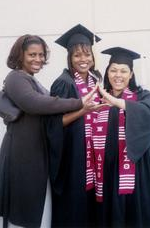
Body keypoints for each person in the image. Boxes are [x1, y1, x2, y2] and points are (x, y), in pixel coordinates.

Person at [0, 34, 97, 228]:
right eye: (32, 54)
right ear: (21, 55)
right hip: (23, 154)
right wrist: (78, 103)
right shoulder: (16, 78)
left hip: (36, 151)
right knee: (23, 209)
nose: (38, 59)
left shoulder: (32, 80)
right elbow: (35, 104)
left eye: (41, 55)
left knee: (37, 209)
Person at [94, 47, 150, 227]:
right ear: (107, 72)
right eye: (113, 70)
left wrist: (116, 102)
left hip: (136, 174)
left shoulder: (144, 97)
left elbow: (149, 116)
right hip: (106, 173)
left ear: (131, 74)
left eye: (123, 71)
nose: (118, 75)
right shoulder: (97, 100)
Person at [45, 24, 103, 227]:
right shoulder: (64, 83)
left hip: (93, 157)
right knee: (74, 209)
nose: (83, 59)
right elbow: (53, 124)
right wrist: (82, 111)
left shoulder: (96, 81)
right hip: (73, 158)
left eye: (87, 54)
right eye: (77, 55)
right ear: (69, 58)